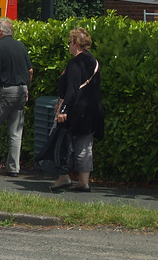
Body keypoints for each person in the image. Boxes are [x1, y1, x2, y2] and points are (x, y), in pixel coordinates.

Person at [51, 27, 104, 192]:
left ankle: (63, 177)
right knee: (85, 146)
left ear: (76, 43)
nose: (69, 46)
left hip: (75, 110)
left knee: (61, 141)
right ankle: (83, 181)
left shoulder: (75, 63)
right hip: (92, 110)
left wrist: (62, 110)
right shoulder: (93, 62)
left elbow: (72, 90)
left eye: (70, 43)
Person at [0, 18, 33, 177]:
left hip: (5, 91)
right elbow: (30, 71)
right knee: (15, 131)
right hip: (21, 90)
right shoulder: (21, 46)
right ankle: (13, 168)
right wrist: (26, 89)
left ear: (0, 32)